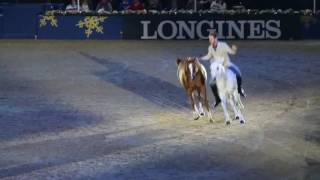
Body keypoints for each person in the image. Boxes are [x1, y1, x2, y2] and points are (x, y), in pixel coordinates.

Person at [200, 31, 246, 107]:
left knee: (238, 73)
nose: (209, 40)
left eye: (211, 39)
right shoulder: (210, 47)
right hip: (218, 68)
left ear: (216, 39)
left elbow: (231, 52)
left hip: (227, 65)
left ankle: (240, 89)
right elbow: (208, 56)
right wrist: (201, 58)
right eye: (209, 39)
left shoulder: (223, 45)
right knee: (211, 83)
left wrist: (234, 50)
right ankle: (217, 99)